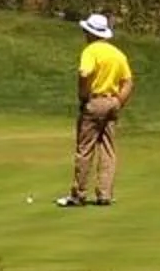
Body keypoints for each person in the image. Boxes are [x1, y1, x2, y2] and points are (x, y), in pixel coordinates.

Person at [57, 12, 132, 207]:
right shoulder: (118, 54)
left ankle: (78, 194)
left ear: (91, 33)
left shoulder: (90, 51)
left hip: (95, 101)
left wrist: (83, 96)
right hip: (112, 102)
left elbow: (84, 73)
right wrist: (118, 102)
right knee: (108, 148)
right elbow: (128, 81)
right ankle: (105, 194)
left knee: (85, 148)